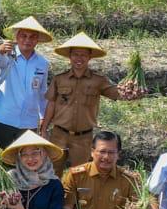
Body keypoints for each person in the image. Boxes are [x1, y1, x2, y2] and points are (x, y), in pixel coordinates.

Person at [39, 33, 124, 174]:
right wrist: (43, 129)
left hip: (83, 138)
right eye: (75, 54)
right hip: (59, 134)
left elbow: (117, 94)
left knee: (80, 174)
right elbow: (51, 104)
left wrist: (131, 91)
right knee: (51, 172)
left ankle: (76, 197)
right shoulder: (60, 79)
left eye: (83, 55)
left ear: (90, 57)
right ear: (70, 56)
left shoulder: (98, 80)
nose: (79, 58)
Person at [0, 16, 53, 149]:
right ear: (17, 38)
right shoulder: (8, 55)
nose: (27, 40)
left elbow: (42, 92)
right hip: (4, 117)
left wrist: (43, 116)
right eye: (23, 36)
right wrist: (1, 52)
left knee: (25, 160)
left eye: (32, 37)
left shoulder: (42, 63)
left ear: (37, 40)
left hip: (29, 121)